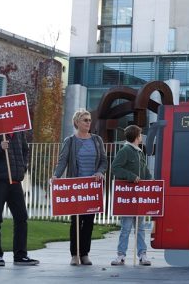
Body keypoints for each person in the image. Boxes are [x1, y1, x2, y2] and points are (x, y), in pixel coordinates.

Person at [52, 109, 107, 266]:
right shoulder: (70, 141)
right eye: (85, 120)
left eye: (89, 120)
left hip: (92, 188)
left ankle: (85, 254)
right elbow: (62, 161)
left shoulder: (97, 140)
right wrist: (56, 175)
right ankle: (74, 254)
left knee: (89, 222)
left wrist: (99, 172)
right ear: (77, 122)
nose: (89, 122)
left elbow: (104, 161)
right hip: (75, 188)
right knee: (76, 222)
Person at [0, 131, 40, 266]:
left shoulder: (19, 132)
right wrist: (0, 148)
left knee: (21, 217)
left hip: (15, 181)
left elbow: (25, 150)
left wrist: (23, 167)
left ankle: (20, 255)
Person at [111, 125, 152, 266]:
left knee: (140, 228)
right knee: (126, 227)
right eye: (140, 135)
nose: (142, 137)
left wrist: (152, 183)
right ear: (136, 137)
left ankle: (143, 255)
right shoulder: (125, 150)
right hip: (128, 197)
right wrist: (131, 176)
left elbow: (145, 170)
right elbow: (115, 167)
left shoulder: (140, 152)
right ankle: (121, 255)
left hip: (139, 196)